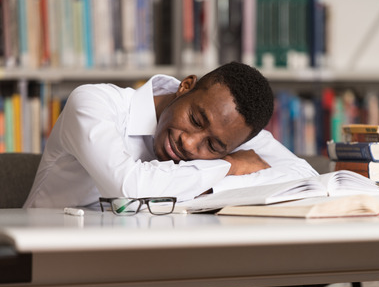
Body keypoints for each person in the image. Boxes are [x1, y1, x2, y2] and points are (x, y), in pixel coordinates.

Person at [24, 62, 318, 208]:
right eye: (195, 119)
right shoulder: (94, 103)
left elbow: (303, 177)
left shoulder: (233, 130)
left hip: (144, 263)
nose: (189, 143)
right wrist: (230, 166)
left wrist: (212, 178)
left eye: (213, 146)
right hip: (46, 266)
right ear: (186, 86)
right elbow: (129, 190)